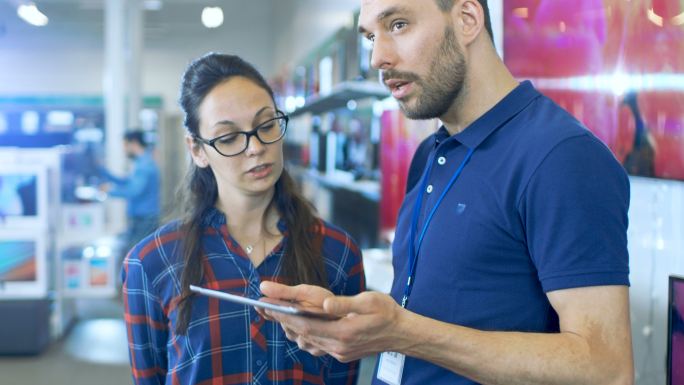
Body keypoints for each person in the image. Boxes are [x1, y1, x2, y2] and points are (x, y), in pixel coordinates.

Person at [259, 1, 634, 384]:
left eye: (399, 24)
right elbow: (436, 309)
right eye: (372, 36)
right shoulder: (430, 153)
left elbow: (606, 369)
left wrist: (403, 333)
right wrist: (360, 323)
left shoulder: (561, 156)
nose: (378, 58)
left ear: (468, 19)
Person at [121, 53, 365, 385]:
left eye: (265, 126)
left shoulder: (336, 252)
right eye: (228, 137)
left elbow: (343, 374)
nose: (255, 148)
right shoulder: (152, 262)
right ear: (197, 150)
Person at [99, 130, 161, 252]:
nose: (124, 150)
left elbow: (134, 191)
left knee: (138, 254)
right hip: (141, 218)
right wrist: (106, 174)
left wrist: (110, 191)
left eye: (125, 145)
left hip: (145, 219)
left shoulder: (145, 165)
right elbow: (129, 182)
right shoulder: (141, 162)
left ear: (134, 143)